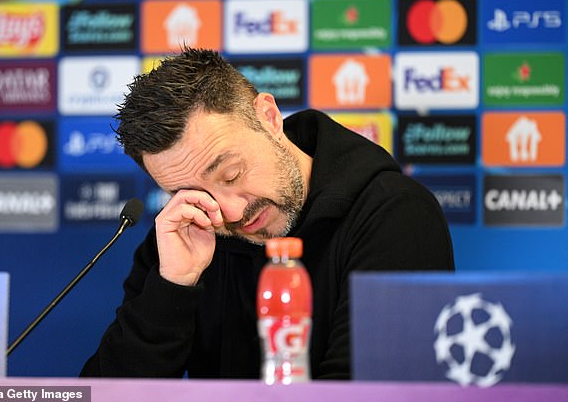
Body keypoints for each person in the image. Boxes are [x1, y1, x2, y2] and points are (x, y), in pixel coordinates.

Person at [81, 47, 454, 380]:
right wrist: (173, 288)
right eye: (196, 195)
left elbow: (368, 392)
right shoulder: (185, 235)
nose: (231, 212)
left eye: (231, 174)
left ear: (270, 118)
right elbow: (106, 394)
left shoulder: (396, 215)